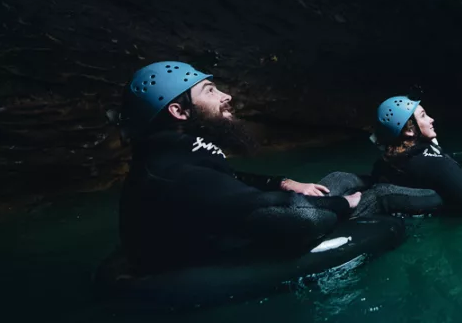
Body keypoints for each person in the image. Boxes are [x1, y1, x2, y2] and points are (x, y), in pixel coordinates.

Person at [117, 61, 364, 275]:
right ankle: (363, 198)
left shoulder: (177, 150)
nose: (227, 96)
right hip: (186, 262)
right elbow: (266, 204)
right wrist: (344, 203)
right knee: (307, 217)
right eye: (210, 91)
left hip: (218, 224)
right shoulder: (171, 169)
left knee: (340, 178)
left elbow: (229, 179)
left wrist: (285, 182)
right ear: (179, 111)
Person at [369, 96, 462, 217]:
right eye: (423, 115)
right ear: (409, 130)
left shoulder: (384, 163)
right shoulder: (436, 164)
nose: (432, 119)